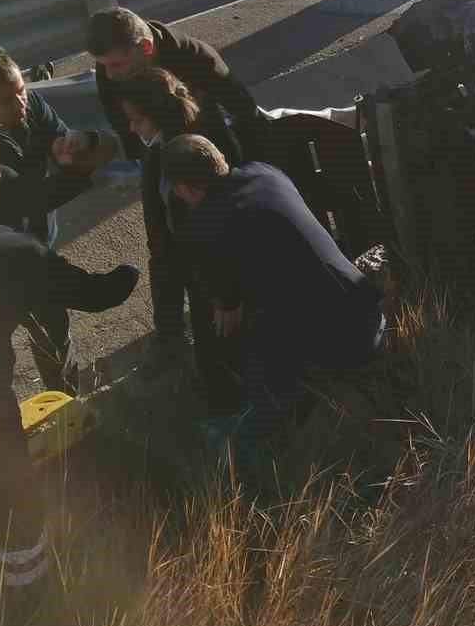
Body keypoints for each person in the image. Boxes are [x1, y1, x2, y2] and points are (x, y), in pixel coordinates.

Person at [0, 133, 138, 606]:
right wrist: (131, 273)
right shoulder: (6, 248)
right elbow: (95, 294)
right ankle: (28, 607)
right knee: (11, 503)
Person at [163, 136, 386, 434]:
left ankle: (271, 437)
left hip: (343, 342)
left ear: (182, 189)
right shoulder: (265, 172)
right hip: (367, 309)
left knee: (255, 346)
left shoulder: (206, 227)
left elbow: (227, 311)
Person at [88, 7, 263, 347]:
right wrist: (148, 158)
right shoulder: (109, 68)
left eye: (116, 65)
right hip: (157, 154)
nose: (108, 75)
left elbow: (244, 112)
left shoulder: (196, 60)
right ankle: (169, 336)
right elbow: (122, 124)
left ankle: (225, 313)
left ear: (146, 48)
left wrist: (245, 180)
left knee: (210, 239)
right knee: (161, 243)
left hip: (206, 164)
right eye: (104, 65)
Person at [0, 48, 116, 394]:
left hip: (33, 243)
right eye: (7, 100)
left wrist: (75, 145)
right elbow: (24, 198)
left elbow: (59, 135)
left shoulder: (27, 105)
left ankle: (65, 409)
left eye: (22, 90)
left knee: (52, 331)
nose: (21, 103)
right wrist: (78, 171)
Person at [113, 68, 245, 418]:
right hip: (186, 264)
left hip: (205, 273)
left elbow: (207, 235)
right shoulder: (168, 145)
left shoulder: (180, 156)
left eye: (137, 120)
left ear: (157, 115)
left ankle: (230, 414)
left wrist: (224, 296)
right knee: (210, 344)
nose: (132, 128)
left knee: (215, 346)